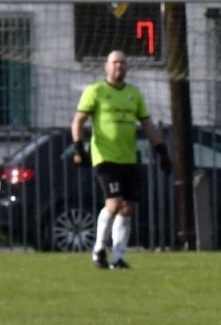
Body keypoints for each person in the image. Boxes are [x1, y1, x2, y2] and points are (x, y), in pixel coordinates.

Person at [70, 49, 170, 269]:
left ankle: (117, 257)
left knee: (127, 208)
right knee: (114, 204)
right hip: (105, 157)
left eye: (122, 63)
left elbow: (147, 124)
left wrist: (162, 150)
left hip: (128, 158)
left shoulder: (133, 93)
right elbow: (78, 121)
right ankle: (98, 249)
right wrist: (79, 148)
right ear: (106, 67)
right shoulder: (95, 91)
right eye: (115, 62)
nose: (119, 66)